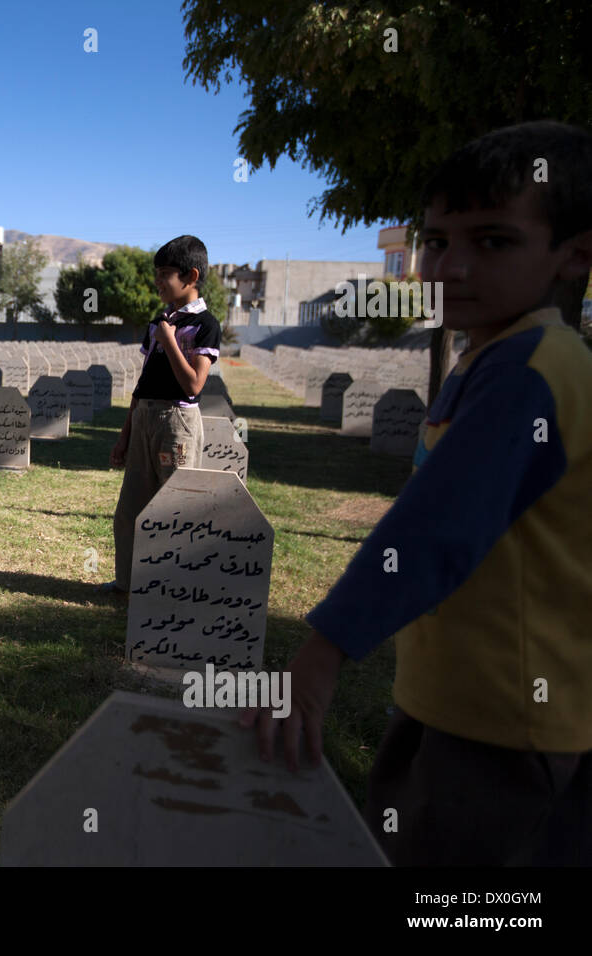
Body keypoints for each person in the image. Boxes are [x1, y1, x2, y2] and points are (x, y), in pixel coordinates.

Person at [241, 121, 592, 865]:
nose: (451, 266)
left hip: (505, 728)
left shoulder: (536, 368)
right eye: (435, 241)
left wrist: (325, 651)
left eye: (493, 241)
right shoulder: (492, 355)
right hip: (459, 703)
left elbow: (440, 525)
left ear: (576, 252)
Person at [102, 236, 220, 595]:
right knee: (130, 509)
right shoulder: (158, 322)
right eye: (157, 273)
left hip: (177, 423)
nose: (158, 281)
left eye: (165, 274)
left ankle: (173, 587)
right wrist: (125, 434)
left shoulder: (204, 324)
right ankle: (127, 583)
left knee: (175, 506)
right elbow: (143, 383)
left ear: (191, 275)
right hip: (145, 418)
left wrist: (170, 341)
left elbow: (193, 385)